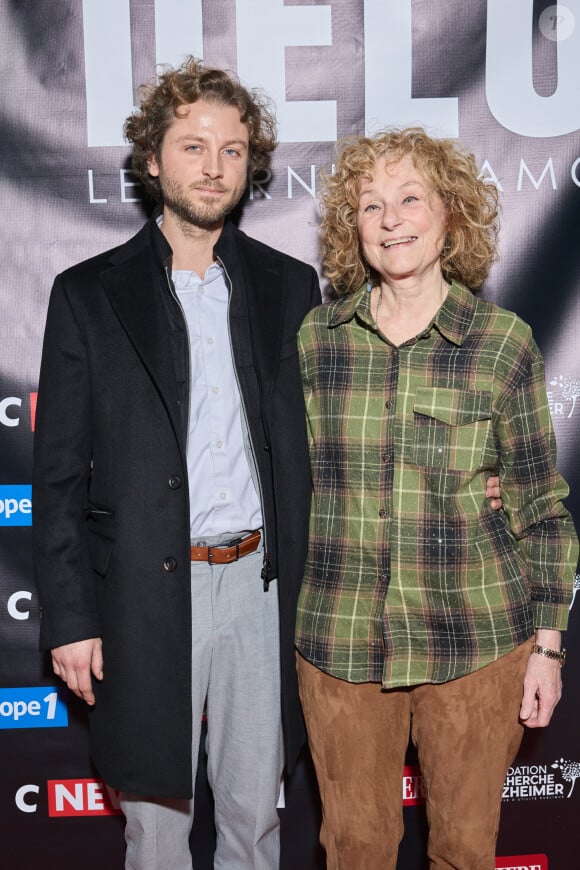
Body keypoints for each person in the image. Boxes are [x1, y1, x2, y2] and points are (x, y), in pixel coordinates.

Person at [32, 58, 321, 870]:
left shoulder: (290, 286)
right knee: (154, 828)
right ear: (152, 160)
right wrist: (71, 618)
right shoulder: (89, 294)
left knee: (254, 821)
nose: (214, 166)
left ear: (250, 165)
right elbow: (56, 478)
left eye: (232, 150)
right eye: (192, 146)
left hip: (262, 585)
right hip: (142, 592)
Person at [295, 127, 578, 869]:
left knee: (463, 851)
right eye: (370, 205)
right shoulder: (316, 342)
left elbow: (541, 507)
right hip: (341, 642)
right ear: (348, 228)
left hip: (478, 641)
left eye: (411, 198)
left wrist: (548, 647)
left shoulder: (501, 343)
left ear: (449, 213)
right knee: (354, 849)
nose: (392, 219)